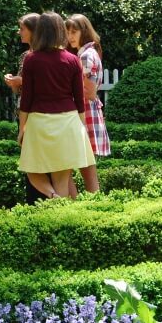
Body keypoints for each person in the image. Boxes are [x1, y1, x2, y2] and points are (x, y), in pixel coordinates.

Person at [17, 12, 95, 199]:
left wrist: (21, 128)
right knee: (61, 179)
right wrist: (82, 125)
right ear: (60, 31)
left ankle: (53, 198)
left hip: (39, 123)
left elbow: (26, 99)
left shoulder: (31, 59)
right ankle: (59, 212)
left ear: (40, 32)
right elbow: (79, 98)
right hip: (68, 122)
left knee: (32, 169)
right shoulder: (72, 59)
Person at [65, 14, 110, 193]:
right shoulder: (88, 52)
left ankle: (78, 206)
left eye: (74, 31)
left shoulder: (85, 55)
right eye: (67, 32)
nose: (70, 36)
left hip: (83, 112)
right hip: (87, 111)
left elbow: (88, 92)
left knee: (70, 164)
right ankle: (91, 205)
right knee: (84, 164)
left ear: (84, 31)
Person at [3, 12, 44, 204]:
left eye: (22, 28)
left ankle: (44, 199)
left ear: (34, 31)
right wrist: (16, 82)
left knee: (36, 161)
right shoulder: (25, 55)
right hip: (26, 113)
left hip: (35, 115)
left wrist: (20, 81)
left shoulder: (38, 56)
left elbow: (41, 84)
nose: (19, 32)